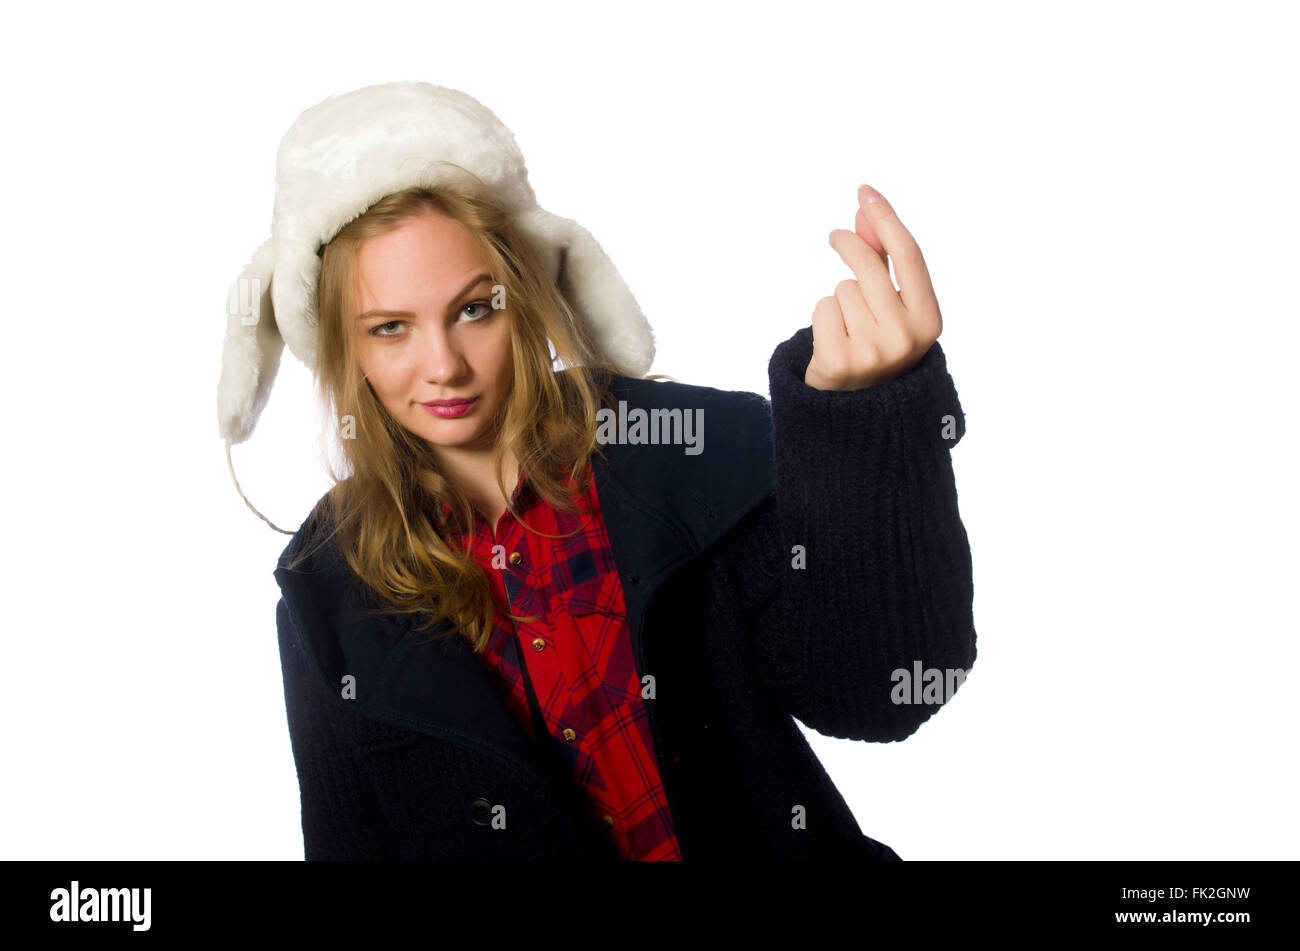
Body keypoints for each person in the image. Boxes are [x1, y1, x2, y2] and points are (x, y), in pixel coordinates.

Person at [218, 82, 976, 861]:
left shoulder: (686, 458)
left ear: (528, 291)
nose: (442, 364)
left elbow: (884, 688)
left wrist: (863, 426)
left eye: (475, 308)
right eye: (390, 329)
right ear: (347, 350)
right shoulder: (329, 592)